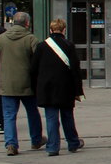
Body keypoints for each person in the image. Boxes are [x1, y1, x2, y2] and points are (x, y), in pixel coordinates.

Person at [0, 11, 43, 156]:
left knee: (8, 115)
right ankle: (36, 140)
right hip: (27, 83)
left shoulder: (1, 39)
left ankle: (11, 144)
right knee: (32, 112)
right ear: (27, 23)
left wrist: (2, 74)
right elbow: (38, 61)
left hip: (7, 83)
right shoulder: (31, 39)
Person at [30, 18, 84, 156]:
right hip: (66, 87)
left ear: (50, 30)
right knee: (67, 116)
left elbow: (33, 69)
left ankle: (53, 147)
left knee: (51, 118)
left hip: (47, 88)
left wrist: (35, 87)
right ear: (64, 30)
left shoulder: (42, 46)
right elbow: (75, 70)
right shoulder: (69, 46)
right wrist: (79, 91)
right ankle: (73, 142)